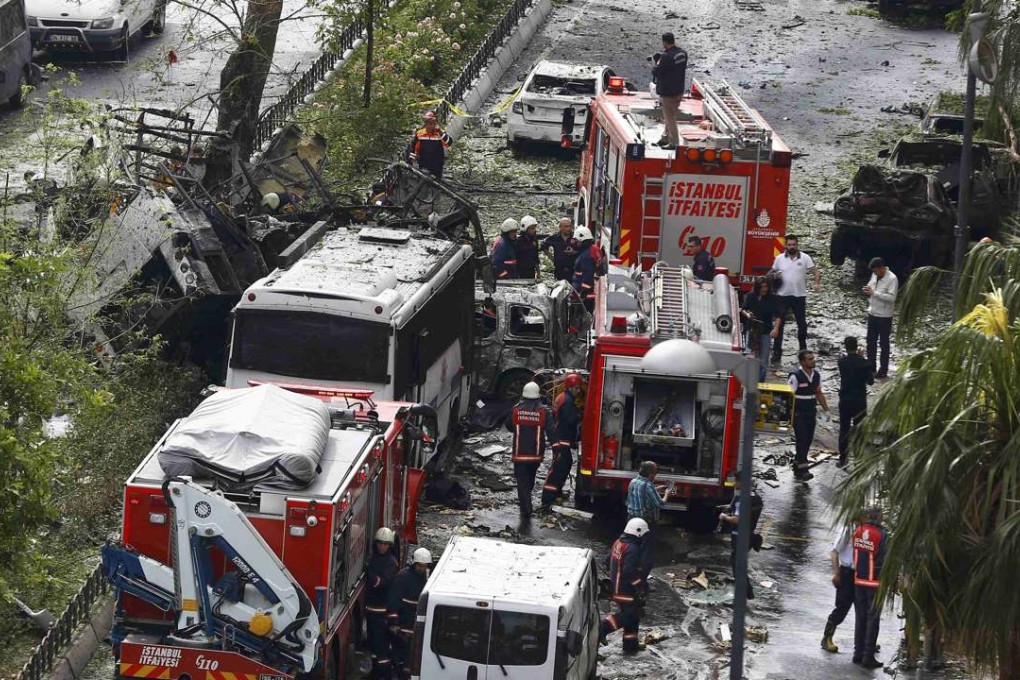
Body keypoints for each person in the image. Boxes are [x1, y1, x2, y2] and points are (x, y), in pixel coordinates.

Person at [599, 518, 649, 654]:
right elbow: (629, 571)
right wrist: (640, 586)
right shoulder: (633, 549)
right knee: (629, 616)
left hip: (616, 586)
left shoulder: (618, 542)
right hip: (625, 590)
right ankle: (603, 628)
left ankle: (630, 646)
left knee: (634, 616)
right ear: (638, 533)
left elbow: (606, 561)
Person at [769, 235, 820, 365]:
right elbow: (771, 273)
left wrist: (816, 283)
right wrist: (775, 275)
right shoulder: (779, 259)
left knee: (802, 324)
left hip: (799, 296)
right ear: (785, 245)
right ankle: (777, 351)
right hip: (782, 296)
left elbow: (815, 271)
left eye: (794, 245)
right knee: (779, 325)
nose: (792, 247)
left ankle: (803, 350)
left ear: (797, 245)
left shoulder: (805, 258)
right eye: (789, 244)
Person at [507, 381, 553, 518]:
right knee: (530, 479)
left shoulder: (516, 410)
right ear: (538, 396)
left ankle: (526, 509)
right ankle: (526, 504)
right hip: (535, 456)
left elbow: (509, 426)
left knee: (522, 482)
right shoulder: (544, 412)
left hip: (519, 455)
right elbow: (551, 431)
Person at [540, 373, 583, 509]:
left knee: (565, 464)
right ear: (570, 387)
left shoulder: (564, 398)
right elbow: (570, 419)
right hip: (561, 439)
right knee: (559, 467)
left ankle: (556, 492)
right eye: (577, 388)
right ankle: (548, 497)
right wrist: (580, 415)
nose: (579, 391)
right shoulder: (567, 401)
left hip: (562, 439)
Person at [387, 548, 432, 680]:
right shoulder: (403, 578)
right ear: (414, 563)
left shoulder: (426, 578)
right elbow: (393, 601)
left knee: (412, 660)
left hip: (415, 628)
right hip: (402, 627)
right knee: (399, 656)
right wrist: (393, 623)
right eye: (420, 566)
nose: (422, 569)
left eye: (424, 566)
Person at [853, 506, 888, 669]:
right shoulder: (881, 534)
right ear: (878, 518)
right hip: (875, 582)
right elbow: (884, 558)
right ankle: (868, 656)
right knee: (872, 619)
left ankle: (857, 653)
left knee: (860, 618)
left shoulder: (858, 531)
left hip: (859, 580)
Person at [788, 349, 830, 481]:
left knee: (808, 439)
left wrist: (826, 409)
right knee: (802, 439)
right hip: (798, 413)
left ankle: (797, 462)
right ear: (802, 362)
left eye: (813, 358)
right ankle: (803, 469)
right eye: (809, 359)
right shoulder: (795, 376)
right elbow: (789, 396)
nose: (813, 361)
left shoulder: (816, 376)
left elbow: (818, 393)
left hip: (811, 412)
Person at [717, 478, 761, 600]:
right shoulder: (755, 498)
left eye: (736, 481)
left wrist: (724, 516)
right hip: (749, 535)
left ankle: (742, 595)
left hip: (739, 536)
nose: (734, 484)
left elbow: (737, 519)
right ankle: (747, 592)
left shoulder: (742, 500)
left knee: (737, 567)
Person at [822, 514, 860, 654]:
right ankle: (827, 638)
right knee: (842, 607)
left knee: (863, 610)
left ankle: (863, 642)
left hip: (862, 573)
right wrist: (836, 572)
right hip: (847, 572)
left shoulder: (867, 530)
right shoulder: (848, 529)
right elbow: (834, 552)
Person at [366, 528, 399, 679]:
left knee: (381, 648)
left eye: (385, 544)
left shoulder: (391, 563)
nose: (382, 546)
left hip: (381, 614)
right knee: (373, 646)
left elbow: (382, 583)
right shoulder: (374, 557)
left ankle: (383, 675)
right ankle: (375, 672)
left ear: (390, 545)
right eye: (379, 543)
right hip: (371, 612)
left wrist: (370, 575)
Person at [626, 461, 667, 581]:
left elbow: (641, 492)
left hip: (631, 519)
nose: (655, 476)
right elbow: (660, 503)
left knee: (631, 545)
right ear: (650, 474)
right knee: (647, 550)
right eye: (655, 473)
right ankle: (642, 579)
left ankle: (626, 569)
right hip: (646, 522)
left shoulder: (633, 482)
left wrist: (658, 488)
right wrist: (667, 494)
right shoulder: (648, 486)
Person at [837, 337, 873, 468]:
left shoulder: (842, 362)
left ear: (845, 347)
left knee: (844, 429)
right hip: (859, 400)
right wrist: (862, 358)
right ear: (857, 347)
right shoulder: (864, 363)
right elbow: (870, 381)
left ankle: (842, 459)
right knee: (859, 430)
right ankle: (858, 458)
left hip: (845, 399)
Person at [650, 32, 688, 150]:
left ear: (664, 42)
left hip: (668, 92)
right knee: (669, 115)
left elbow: (657, 72)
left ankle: (674, 143)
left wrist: (654, 63)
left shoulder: (666, 56)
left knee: (670, 117)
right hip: (679, 91)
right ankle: (665, 138)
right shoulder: (682, 54)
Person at [863, 257, 898, 379]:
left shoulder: (892, 279)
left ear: (882, 268)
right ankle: (871, 366)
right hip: (872, 313)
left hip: (884, 316)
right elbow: (871, 286)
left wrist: (874, 293)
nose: (875, 273)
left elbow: (892, 298)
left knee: (884, 343)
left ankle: (883, 369)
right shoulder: (874, 275)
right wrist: (867, 290)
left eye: (876, 271)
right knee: (870, 341)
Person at [740, 277, 781, 382]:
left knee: (763, 359)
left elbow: (778, 316)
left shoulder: (773, 299)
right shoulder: (750, 296)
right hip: (751, 329)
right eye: (762, 287)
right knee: (750, 354)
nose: (764, 289)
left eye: (766, 287)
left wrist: (776, 329)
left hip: (766, 330)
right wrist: (748, 315)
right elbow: (743, 309)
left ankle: (760, 381)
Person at [409, 111, 452, 178]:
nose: (429, 125)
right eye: (427, 123)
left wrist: (440, 132)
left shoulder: (439, 134)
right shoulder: (420, 133)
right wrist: (411, 161)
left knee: (436, 184)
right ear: (425, 124)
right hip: (423, 164)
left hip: (437, 165)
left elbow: (449, 143)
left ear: (435, 124)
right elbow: (414, 148)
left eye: (431, 123)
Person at [572, 226, 597, 313]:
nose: (575, 243)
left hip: (585, 295)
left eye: (577, 240)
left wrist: (581, 293)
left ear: (582, 240)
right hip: (587, 292)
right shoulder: (591, 249)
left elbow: (588, 276)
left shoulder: (586, 256)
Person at [515, 215, 541, 279]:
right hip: (519, 271)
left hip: (531, 270)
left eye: (535, 228)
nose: (534, 230)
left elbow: (536, 257)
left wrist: (538, 272)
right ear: (525, 229)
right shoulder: (518, 241)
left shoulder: (534, 240)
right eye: (532, 228)